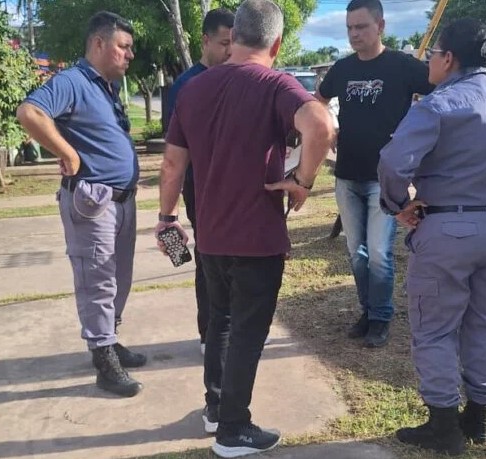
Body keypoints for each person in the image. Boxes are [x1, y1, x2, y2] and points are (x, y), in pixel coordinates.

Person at [156, 0, 334, 456]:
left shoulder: (192, 89)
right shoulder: (275, 84)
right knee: (247, 334)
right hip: (256, 236)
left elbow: (173, 164)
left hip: (211, 234)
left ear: (233, 36)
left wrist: (167, 218)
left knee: (220, 324)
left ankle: (217, 409)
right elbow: (321, 125)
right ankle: (233, 429)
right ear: (276, 43)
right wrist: (303, 181)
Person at [378, 18, 486, 455]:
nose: (430, 61)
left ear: (447, 58)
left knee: (435, 327)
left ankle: (444, 425)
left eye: (433, 53)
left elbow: (393, 163)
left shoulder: (436, 106)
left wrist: (398, 204)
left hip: (447, 228)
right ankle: (479, 418)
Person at [16, 11, 146, 398]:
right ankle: (103, 360)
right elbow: (30, 112)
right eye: (123, 47)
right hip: (94, 201)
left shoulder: (106, 86)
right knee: (97, 280)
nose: (129, 55)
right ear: (99, 44)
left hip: (121, 201)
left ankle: (109, 340)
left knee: (119, 277)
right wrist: (67, 153)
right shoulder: (72, 81)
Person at [314, 0, 434, 348]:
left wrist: (417, 135)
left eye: (361, 27)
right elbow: (317, 100)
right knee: (357, 252)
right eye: (350, 28)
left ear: (380, 26)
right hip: (346, 175)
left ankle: (381, 317)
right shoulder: (342, 68)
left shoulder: (404, 66)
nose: (354, 34)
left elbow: (443, 91)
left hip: (385, 180)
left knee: (380, 253)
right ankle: (367, 311)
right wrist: (328, 126)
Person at [165, 8, 235, 355]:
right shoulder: (186, 85)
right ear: (205, 41)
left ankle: (235, 330)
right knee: (208, 261)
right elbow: (174, 156)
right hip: (201, 189)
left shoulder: (236, 79)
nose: (230, 50)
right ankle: (209, 333)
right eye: (224, 43)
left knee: (237, 261)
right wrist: (168, 214)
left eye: (235, 43)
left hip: (235, 187)